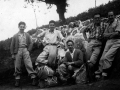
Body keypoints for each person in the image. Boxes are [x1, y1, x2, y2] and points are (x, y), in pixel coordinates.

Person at [35, 20, 66, 87]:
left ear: (54, 26)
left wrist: (64, 43)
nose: (51, 26)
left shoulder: (57, 32)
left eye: (53, 25)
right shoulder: (46, 32)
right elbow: (38, 36)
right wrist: (42, 42)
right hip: (46, 47)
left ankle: (53, 76)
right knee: (38, 59)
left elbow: (62, 38)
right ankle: (47, 63)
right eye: (50, 25)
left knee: (52, 59)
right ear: (48, 26)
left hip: (53, 46)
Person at [10, 21, 36, 87]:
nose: (22, 28)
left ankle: (33, 78)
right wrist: (13, 54)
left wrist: (28, 50)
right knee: (17, 65)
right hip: (18, 50)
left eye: (23, 27)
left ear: (25, 27)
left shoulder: (27, 35)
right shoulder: (15, 36)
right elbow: (12, 45)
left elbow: (31, 43)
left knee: (28, 64)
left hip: (25, 49)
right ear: (18, 27)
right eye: (20, 27)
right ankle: (17, 80)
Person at [95, 11, 120, 79]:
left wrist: (109, 35)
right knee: (102, 58)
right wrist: (111, 34)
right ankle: (99, 72)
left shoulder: (118, 22)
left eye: (111, 15)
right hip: (109, 41)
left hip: (117, 41)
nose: (110, 17)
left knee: (107, 57)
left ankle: (105, 74)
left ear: (114, 15)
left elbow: (117, 33)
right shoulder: (108, 23)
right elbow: (104, 34)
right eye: (109, 16)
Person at [83, 14, 106, 82]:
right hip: (91, 42)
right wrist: (86, 39)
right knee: (87, 60)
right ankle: (88, 77)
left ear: (100, 18)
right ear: (94, 19)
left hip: (98, 43)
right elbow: (84, 31)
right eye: (96, 18)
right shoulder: (91, 25)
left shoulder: (104, 25)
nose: (97, 19)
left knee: (92, 62)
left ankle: (92, 77)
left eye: (98, 18)